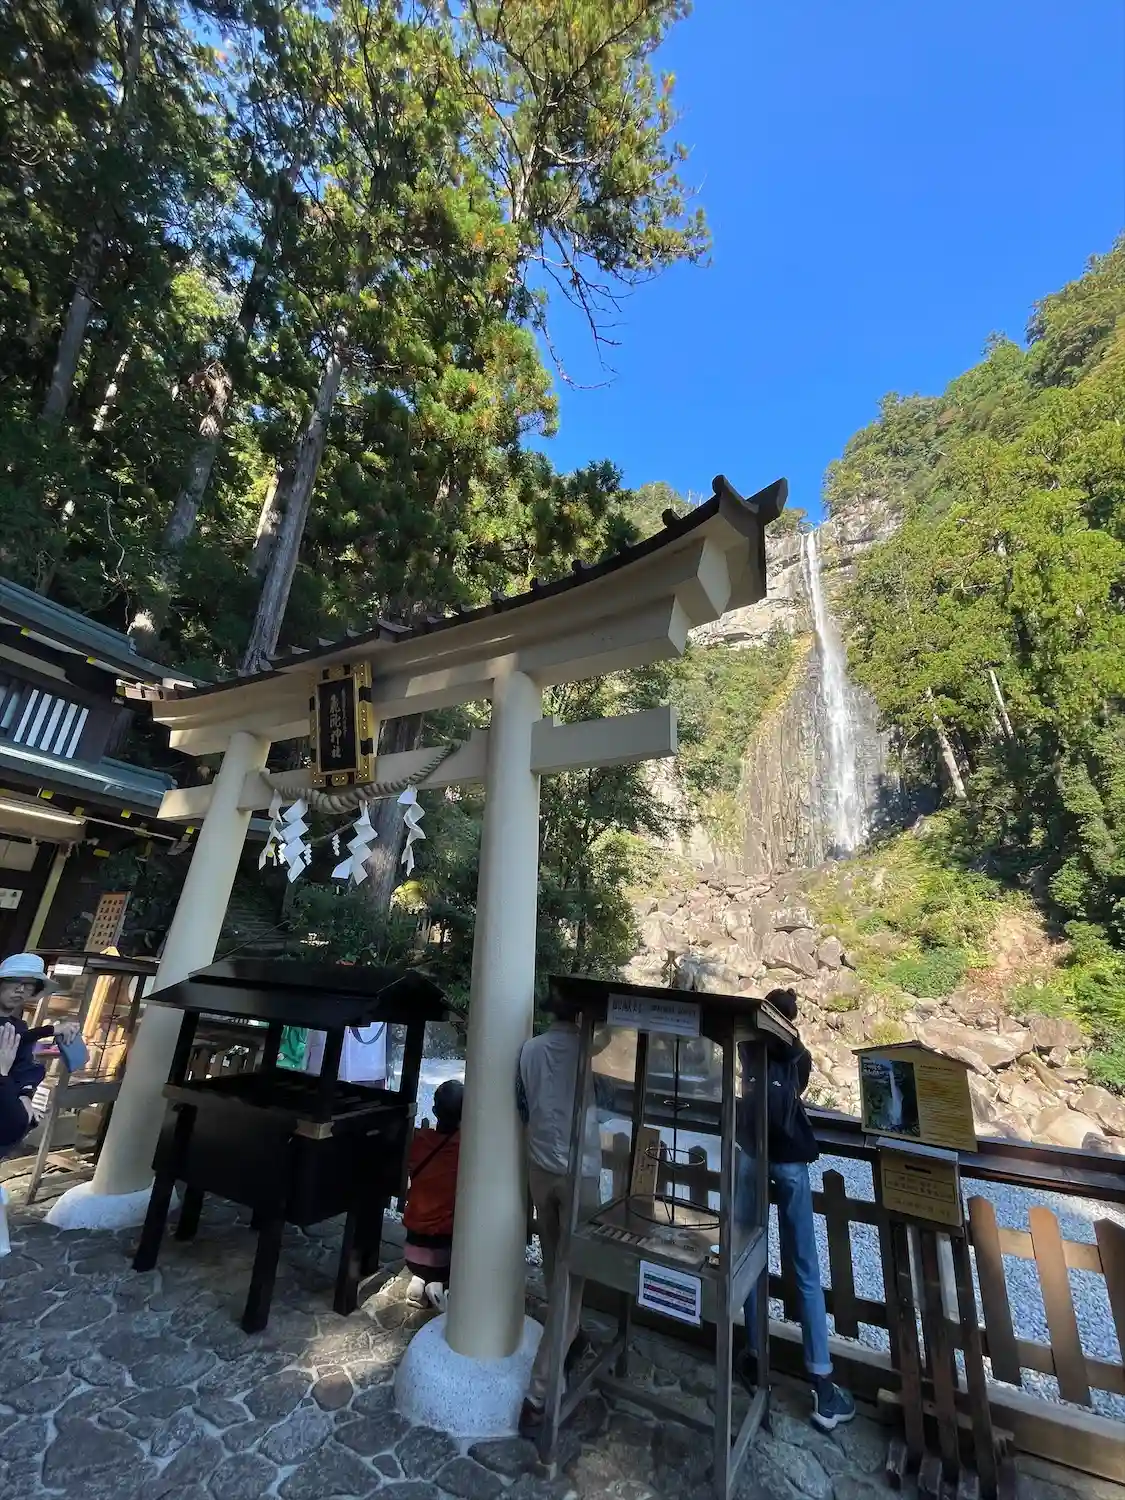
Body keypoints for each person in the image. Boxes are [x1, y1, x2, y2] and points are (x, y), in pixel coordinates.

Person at [736, 987, 855, 1432]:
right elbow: (798, 1086)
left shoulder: (748, 1047)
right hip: (789, 1161)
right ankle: (821, 1382)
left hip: (751, 1154)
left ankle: (754, 1356)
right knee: (804, 1265)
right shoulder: (799, 1055)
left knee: (750, 1255)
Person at [515, 997, 603, 1438]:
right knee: (573, 1281)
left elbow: (523, 1106)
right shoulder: (591, 1052)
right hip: (579, 1173)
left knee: (554, 1265)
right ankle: (538, 1396)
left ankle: (570, 1339)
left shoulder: (529, 1050)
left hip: (540, 1170)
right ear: (582, 1015)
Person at [0, 953, 81, 1158]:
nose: (21, 990)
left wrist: (25, 1095)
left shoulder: (17, 1026)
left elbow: (22, 1048)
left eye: (29, 985)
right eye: (15, 981)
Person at [403, 1078, 463, 1312]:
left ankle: (418, 1282)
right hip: (444, 1253)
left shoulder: (421, 1140)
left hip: (411, 1248)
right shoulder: (464, 1149)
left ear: (435, 1111)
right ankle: (438, 1285)